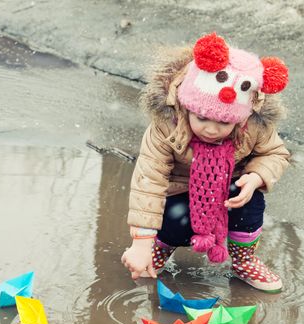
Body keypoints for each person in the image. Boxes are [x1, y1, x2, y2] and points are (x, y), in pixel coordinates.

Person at [121, 33, 290, 292]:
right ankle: (160, 248)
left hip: (227, 190)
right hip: (180, 195)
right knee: (175, 219)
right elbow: (149, 179)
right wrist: (141, 244)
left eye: (224, 123)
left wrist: (256, 177)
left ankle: (244, 261)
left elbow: (276, 153)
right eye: (202, 118)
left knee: (249, 198)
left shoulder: (255, 124)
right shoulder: (167, 124)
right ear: (186, 106)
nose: (211, 130)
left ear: (241, 118)